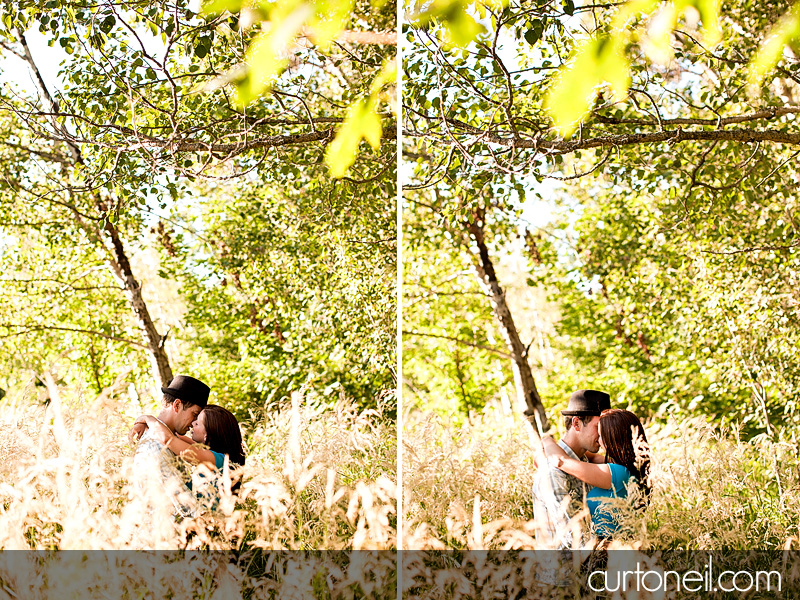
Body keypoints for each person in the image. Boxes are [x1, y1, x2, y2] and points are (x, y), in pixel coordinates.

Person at [543, 409, 651, 539]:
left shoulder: (615, 473)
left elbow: (560, 461)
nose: (598, 440)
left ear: (612, 439)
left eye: (600, 435)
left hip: (607, 549)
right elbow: (591, 457)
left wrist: (546, 440)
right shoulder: (629, 468)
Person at [131, 375, 210, 517]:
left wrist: (146, 418)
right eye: (194, 414)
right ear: (177, 405)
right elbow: (188, 508)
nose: (194, 423)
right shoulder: (155, 446)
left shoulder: (168, 439)